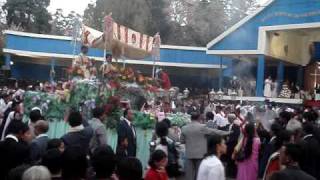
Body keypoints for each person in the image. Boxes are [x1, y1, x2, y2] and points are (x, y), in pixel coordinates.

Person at [180, 111, 229, 180]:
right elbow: (214, 132)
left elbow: (181, 141)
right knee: (199, 174)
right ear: (199, 118)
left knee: (189, 175)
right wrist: (227, 132)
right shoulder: (202, 127)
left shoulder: (184, 128)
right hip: (200, 154)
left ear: (191, 118)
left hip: (189, 154)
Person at [226, 113, 241, 178]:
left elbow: (235, 136)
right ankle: (229, 173)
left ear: (231, 119)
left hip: (233, 145)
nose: (228, 119)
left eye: (228, 118)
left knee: (232, 160)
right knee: (229, 160)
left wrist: (228, 141)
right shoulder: (230, 125)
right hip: (229, 145)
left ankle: (233, 174)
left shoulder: (236, 126)